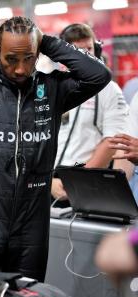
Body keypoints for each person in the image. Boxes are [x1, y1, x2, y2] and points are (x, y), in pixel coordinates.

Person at [0, 16, 111, 290]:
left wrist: (46, 40)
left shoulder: (53, 89)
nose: (20, 68)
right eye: (11, 58)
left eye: (29, 57)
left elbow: (99, 75)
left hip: (31, 223)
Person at [51, 23, 129, 203]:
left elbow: (112, 140)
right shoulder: (51, 85)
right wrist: (47, 181)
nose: (88, 55)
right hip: (48, 181)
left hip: (86, 183)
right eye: (80, 50)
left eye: (90, 48)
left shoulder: (110, 89)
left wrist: (79, 184)